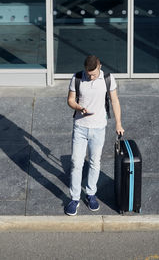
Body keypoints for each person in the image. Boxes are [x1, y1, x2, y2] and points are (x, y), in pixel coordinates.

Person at [65, 55, 124, 216]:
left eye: (93, 73)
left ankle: (91, 194)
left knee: (94, 162)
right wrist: (78, 107)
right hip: (80, 127)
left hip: (99, 128)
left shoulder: (108, 79)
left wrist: (118, 123)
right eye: (88, 74)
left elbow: (115, 101)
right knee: (76, 162)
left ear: (100, 66)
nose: (91, 77)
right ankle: (75, 198)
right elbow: (70, 100)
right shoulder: (77, 78)